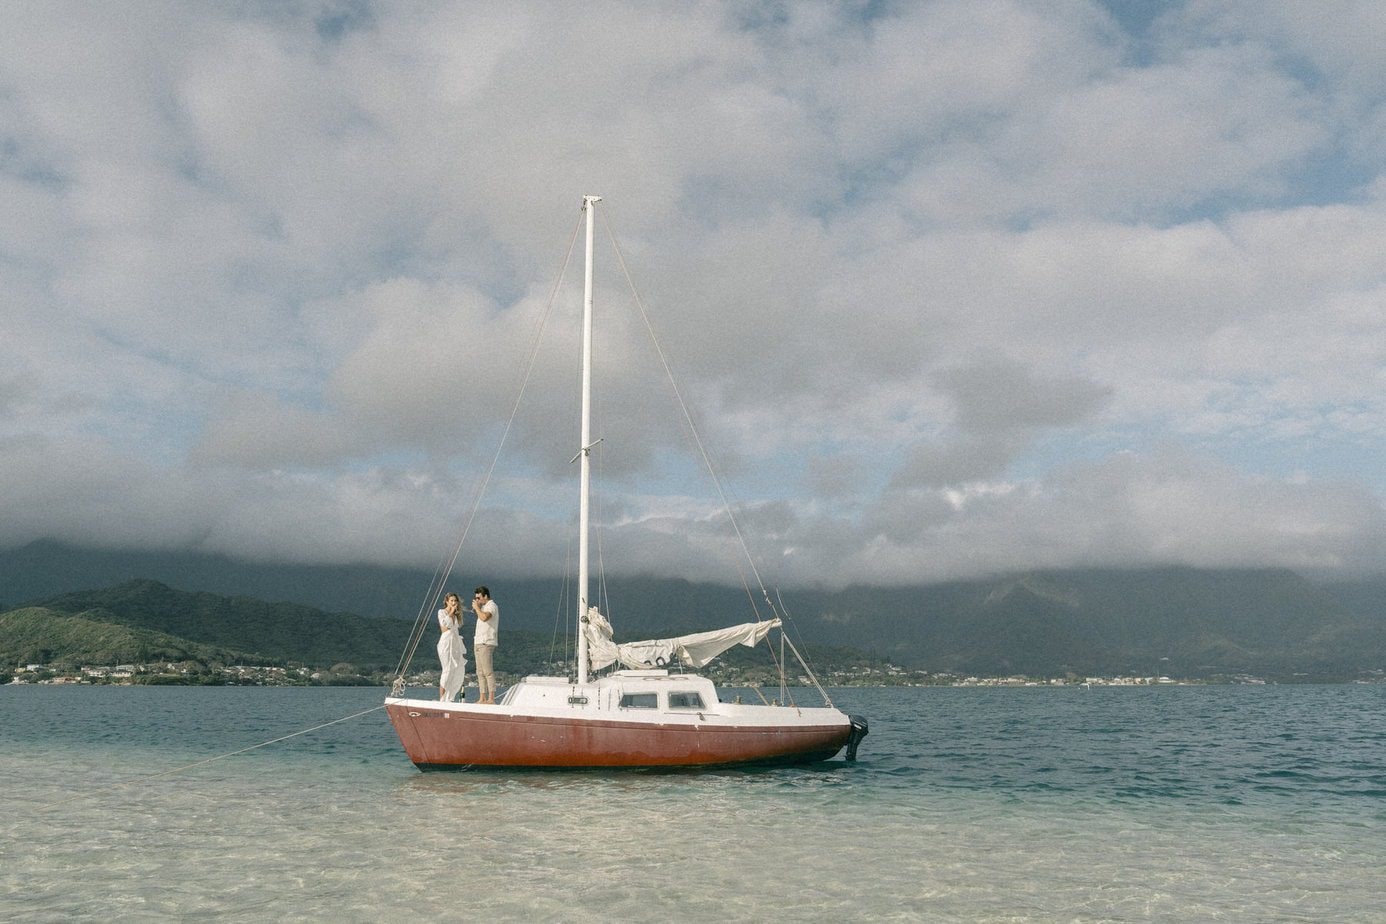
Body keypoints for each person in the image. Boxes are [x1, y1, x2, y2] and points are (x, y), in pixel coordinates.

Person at [437, 592, 468, 702]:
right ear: (447, 601)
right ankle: (442, 698)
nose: (454, 603)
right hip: (446, 643)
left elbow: (455, 629)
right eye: (452, 601)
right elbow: (444, 627)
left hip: (455, 643)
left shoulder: (456, 615)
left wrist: (454, 613)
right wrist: (450, 612)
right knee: (448, 670)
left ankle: (450, 698)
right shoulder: (442, 612)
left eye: (455, 601)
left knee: (459, 670)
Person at [471, 585, 499, 704]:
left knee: (487, 671)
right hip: (478, 642)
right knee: (480, 671)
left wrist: (477, 609)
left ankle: (491, 698)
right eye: (476, 598)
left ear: (485, 596)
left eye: (478, 598)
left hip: (486, 642)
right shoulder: (484, 608)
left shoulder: (491, 606)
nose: (477, 600)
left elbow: (484, 618)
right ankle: (482, 697)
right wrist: (478, 609)